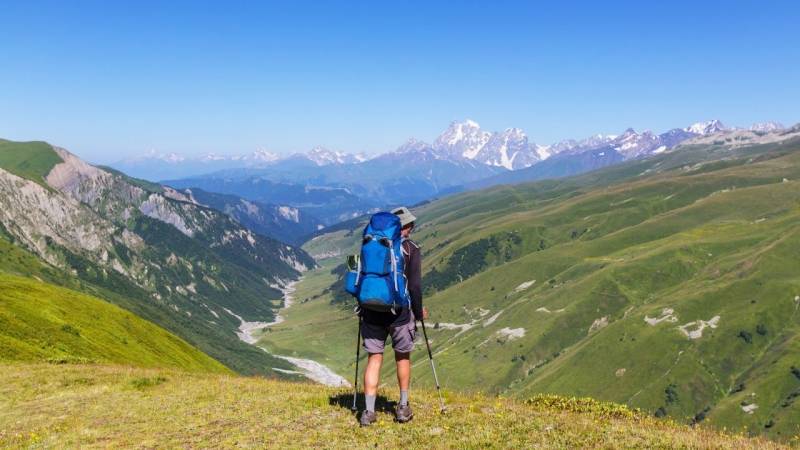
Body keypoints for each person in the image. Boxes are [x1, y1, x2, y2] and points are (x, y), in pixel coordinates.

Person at [359, 206, 426, 426]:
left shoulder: (371, 243)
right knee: (402, 357)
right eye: (411, 224)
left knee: (374, 359)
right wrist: (418, 312)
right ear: (405, 227)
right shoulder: (410, 249)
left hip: (371, 309)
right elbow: (414, 286)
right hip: (399, 313)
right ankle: (403, 407)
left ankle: (368, 412)